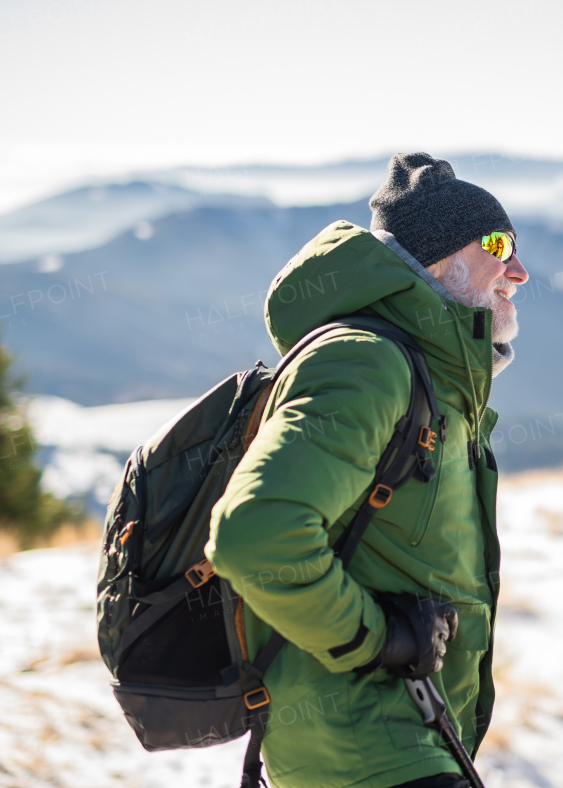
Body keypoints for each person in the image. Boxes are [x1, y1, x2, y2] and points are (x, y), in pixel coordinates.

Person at [206, 153, 527, 788]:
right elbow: (254, 534)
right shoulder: (366, 363)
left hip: (407, 740)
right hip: (366, 749)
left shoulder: (429, 375)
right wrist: (377, 639)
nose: (518, 270)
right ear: (437, 259)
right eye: (498, 244)